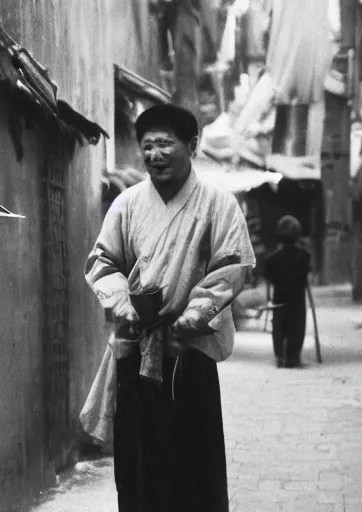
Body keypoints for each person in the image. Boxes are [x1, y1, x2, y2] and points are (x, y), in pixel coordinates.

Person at [80, 103, 255, 512]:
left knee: (195, 465)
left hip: (189, 353)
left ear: (191, 146)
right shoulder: (127, 204)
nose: (155, 154)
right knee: (137, 466)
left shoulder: (218, 204)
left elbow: (232, 266)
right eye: (148, 146)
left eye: (165, 144)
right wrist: (123, 303)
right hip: (136, 350)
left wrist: (190, 318)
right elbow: (103, 261)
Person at [264, 215, 310, 368]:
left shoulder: (274, 258)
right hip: (297, 298)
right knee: (297, 326)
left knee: (279, 326)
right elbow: (305, 274)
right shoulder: (304, 256)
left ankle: (280, 356)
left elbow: (268, 275)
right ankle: (293, 356)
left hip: (280, 298)